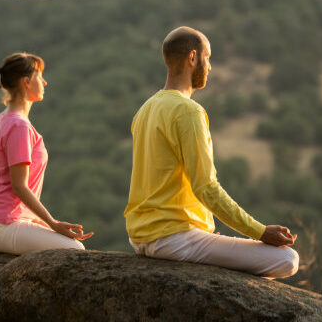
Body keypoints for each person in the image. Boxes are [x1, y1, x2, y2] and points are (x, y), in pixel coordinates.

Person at [124, 26, 299, 278]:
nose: (210, 66)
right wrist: (259, 231)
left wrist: (203, 228)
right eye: (208, 57)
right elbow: (205, 186)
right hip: (173, 239)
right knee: (287, 259)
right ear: (193, 58)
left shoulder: (144, 110)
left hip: (140, 236)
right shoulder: (189, 111)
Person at [0, 52, 93, 255]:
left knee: (71, 246)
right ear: (27, 82)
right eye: (40, 76)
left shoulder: (5, 118)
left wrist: (44, 223)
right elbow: (19, 187)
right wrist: (52, 223)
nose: (45, 82)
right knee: (75, 250)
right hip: (2, 224)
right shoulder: (19, 126)